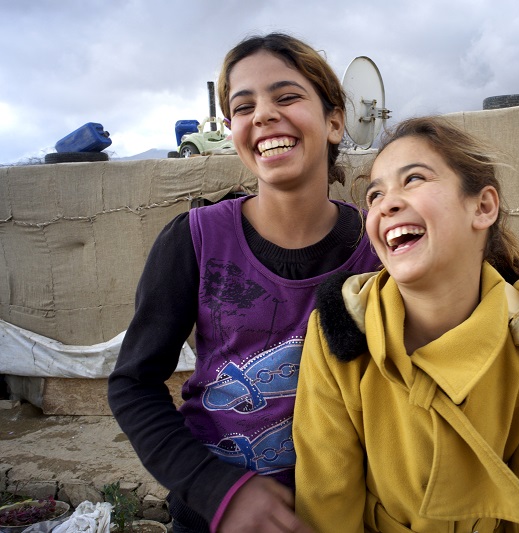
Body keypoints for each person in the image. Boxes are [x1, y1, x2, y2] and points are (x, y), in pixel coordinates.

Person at [107, 33, 381, 533]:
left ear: (335, 120)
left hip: (350, 513)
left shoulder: (382, 248)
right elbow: (133, 384)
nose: (264, 114)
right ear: (232, 129)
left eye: (287, 97)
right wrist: (217, 490)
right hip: (212, 516)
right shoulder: (195, 240)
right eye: (243, 105)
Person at [293, 117, 519, 532]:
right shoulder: (340, 333)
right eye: (375, 194)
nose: (386, 203)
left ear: (483, 207)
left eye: (413, 179)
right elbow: (327, 498)